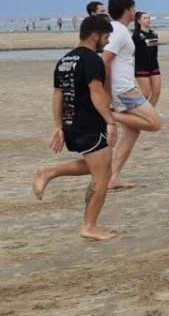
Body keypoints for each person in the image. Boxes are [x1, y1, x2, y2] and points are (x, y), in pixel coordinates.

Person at [32, 15, 119, 241]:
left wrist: (59, 125)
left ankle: (50, 172)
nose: (107, 42)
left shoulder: (65, 60)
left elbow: (58, 94)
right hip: (90, 123)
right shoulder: (91, 60)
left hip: (72, 122)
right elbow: (96, 91)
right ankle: (89, 226)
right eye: (106, 37)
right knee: (102, 176)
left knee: (98, 168)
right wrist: (110, 121)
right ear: (94, 35)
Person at [102, 0, 163, 189]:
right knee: (154, 123)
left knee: (133, 132)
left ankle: (112, 177)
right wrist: (107, 97)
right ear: (127, 10)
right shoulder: (118, 32)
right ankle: (111, 115)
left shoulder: (119, 31)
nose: (135, 10)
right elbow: (104, 61)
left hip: (124, 87)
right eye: (133, 7)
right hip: (123, 89)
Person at [132, 11, 162, 106]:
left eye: (149, 18)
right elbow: (131, 52)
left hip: (154, 66)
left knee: (156, 92)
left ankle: (149, 114)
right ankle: (133, 111)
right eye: (145, 18)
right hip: (141, 67)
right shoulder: (136, 35)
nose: (148, 20)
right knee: (145, 93)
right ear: (139, 21)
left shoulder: (154, 34)